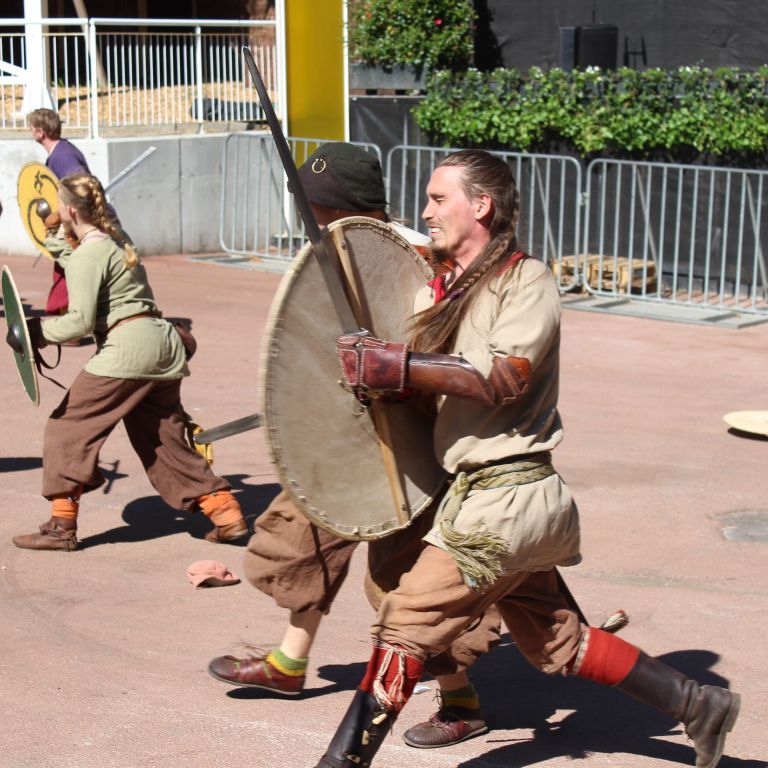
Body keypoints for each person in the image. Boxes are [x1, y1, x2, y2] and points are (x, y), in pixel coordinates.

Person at [314, 149, 741, 768]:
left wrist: (397, 365)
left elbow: (504, 376)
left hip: (505, 503)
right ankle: (698, 704)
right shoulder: (444, 288)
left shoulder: (526, 280)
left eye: (439, 199)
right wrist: (379, 377)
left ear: (481, 205)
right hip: (480, 498)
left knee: (406, 618)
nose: (426, 211)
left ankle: (342, 762)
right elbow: (426, 388)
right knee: (559, 642)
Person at [207, 142, 501, 748]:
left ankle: (461, 699)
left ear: (339, 208)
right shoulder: (334, 254)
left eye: (314, 204)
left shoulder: (419, 259)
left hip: (413, 450)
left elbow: (445, 358)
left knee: (406, 580)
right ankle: (289, 663)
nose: (306, 214)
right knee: (305, 533)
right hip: (348, 438)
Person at [10, 172, 249, 551]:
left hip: (128, 351)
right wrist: (55, 233)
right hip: (162, 345)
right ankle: (224, 511)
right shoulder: (117, 239)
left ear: (69, 210)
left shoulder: (90, 254)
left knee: (67, 427)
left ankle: (60, 526)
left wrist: (34, 332)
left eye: (58, 205)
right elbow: (79, 259)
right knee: (161, 439)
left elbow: (80, 322)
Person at [28, 108, 121, 315]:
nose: (31, 131)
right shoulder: (61, 152)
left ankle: (78, 320)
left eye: (32, 128)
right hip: (77, 225)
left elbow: (82, 189)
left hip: (88, 225)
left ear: (41, 132)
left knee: (77, 273)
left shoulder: (64, 156)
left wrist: (70, 222)